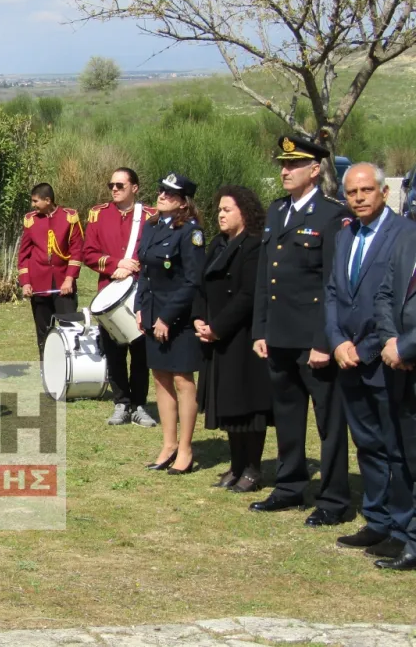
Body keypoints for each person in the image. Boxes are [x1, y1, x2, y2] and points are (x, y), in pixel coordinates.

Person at [251, 135, 352, 526]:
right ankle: (290, 486)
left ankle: (334, 499)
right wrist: (260, 329)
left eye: (293, 164)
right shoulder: (278, 211)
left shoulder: (331, 215)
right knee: (288, 416)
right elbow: (266, 277)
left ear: (314, 169)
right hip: (279, 336)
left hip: (314, 340)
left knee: (329, 422)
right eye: (282, 164)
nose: (285, 170)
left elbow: (333, 284)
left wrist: (325, 341)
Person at [326, 163, 413, 555]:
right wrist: (336, 342)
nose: (359, 198)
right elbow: (333, 293)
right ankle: (377, 520)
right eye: (351, 192)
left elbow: (394, 304)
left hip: (387, 360)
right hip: (347, 359)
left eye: (366, 190)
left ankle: (402, 527)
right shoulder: (345, 235)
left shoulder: (404, 234)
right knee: (367, 444)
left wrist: (366, 349)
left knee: (397, 448)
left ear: (384, 192)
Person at [192, 186, 272, 492]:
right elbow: (202, 285)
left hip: (242, 337)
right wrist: (199, 318)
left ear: (245, 212)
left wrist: (217, 327)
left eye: (227, 210)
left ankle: (253, 467)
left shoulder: (254, 245)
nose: (221, 215)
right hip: (216, 337)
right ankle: (236, 465)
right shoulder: (218, 244)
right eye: (219, 210)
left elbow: (248, 295)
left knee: (247, 407)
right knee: (227, 405)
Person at [135, 173, 206, 475]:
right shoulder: (152, 226)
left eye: (170, 193)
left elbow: (193, 280)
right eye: (161, 190)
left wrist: (167, 317)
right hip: (153, 314)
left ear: (183, 202)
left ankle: (186, 448)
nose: (162, 196)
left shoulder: (190, 232)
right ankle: (169, 444)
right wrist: (141, 309)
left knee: (182, 380)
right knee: (160, 378)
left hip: (179, 318)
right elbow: (144, 272)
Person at [83, 167, 158, 427]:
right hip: (109, 291)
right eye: (111, 185)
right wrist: (116, 263)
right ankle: (121, 403)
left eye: (120, 185)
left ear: (134, 188)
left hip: (139, 292)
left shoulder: (150, 216)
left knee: (140, 352)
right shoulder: (98, 214)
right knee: (114, 351)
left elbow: (156, 251)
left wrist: (132, 267)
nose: (114, 189)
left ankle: (139, 404)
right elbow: (88, 253)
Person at [373, 224, 416, 570]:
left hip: (407, 355)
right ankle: (406, 535)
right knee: (404, 456)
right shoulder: (408, 239)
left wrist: (405, 347)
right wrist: (390, 340)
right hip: (399, 367)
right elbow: (385, 294)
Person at [18, 183, 85, 361]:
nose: (33, 205)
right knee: (43, 332)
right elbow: (23, 255)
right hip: (38, 283)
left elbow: (76, 251)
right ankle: (46, 369)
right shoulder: (31, 220)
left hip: (64, 282)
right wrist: (25, 282)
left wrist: (69, 279)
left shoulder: (69, 217)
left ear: (48, 200)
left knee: (68, 329)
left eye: (35, 201)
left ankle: (70, 369)